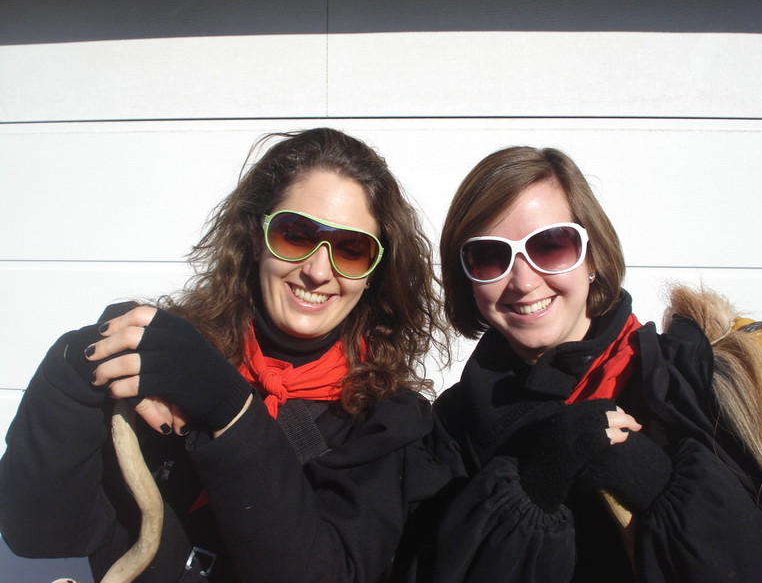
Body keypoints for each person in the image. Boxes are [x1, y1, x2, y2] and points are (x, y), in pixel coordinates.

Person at [0, 128, 455, 582]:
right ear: (256, 238)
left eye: (352, 250)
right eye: (295, 235)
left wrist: (230, 410)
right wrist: (75, 370)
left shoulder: (387, 423)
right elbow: (37, 533)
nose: (318, 271)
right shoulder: (171, 367)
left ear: (374, 271)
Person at [390, 146, 762, 582]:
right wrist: (532, 490)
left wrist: (657, 485)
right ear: (467, 278)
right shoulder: (451, 431)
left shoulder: (698, 383)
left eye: (550, 245)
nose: (523, 282)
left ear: (593, 256)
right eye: (490, 256)